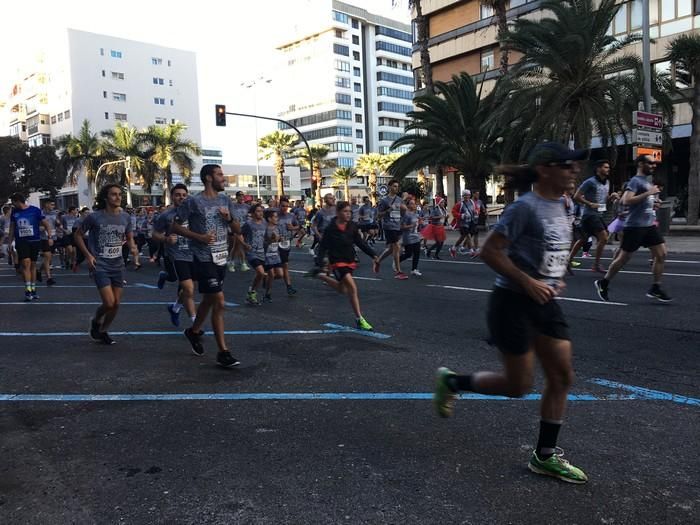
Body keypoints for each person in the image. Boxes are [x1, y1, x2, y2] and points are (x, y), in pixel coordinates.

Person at [433, 143, 589, 484]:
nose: (574, 171)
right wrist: (528, 281)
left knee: (562, 377)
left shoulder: (564, 204)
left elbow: (551, 249)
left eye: (576, 166)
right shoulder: (524, 208)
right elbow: (490, 251)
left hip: (544, 300)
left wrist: (554, 277)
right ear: (545, 169)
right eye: (567, 166)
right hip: (512, 303)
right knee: (518, 386)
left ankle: (545, 456)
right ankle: (452, 381)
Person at [170, 164, 241, 368]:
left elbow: (236, 228)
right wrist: (198, 236)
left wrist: (228, 218)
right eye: (219, 175)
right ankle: (223, 352)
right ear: (208, 178)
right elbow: (174, 226)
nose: (223, 178)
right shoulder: (193, 201)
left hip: (221, 257)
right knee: (219, 300)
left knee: (210, 299)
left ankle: (193, 332)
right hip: (203, 257)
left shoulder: (225, 200)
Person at [594, 155, 671, 303]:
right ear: (641, 164)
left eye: (654, 163)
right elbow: (626, 200)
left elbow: (643, 201)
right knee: (623, 258)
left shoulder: (647, 182)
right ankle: (603, 282)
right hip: (634, 227)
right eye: (650, 163)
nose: (653, 166)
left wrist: (653, 203)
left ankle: (656, 287)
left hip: (648, 225)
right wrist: (649, 194)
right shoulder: (635, 181)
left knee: (661, 254)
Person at [74, 184, 138, 344]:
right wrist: (88, 256)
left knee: (116, 304)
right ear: (106, 197)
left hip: (118, 265)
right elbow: (78, 235)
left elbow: (129, 237)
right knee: (109, 303)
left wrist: (133, 247)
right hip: (100, 264)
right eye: (113, 194)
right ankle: (96, 320)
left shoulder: (125, 217)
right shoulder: (95, 217)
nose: (118, 197)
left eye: (119, 194)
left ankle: (103, 331)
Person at [309, 200, 379, 330]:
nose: (348, 214)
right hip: (337, 262)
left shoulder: (352, 226)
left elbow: (360, 243)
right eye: (345, 211)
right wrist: (319, 262)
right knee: (352, 288)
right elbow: (323, 246)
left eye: (349, 212)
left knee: (343, 289)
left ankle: (321, 276)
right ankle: (359, 319)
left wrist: (373, 255)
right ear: (338, 212)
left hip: (349, 260)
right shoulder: (331, 229)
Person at [153, 184, 197, 327]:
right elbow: (154, 234)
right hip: (175, 255)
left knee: (185, 289)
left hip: (192, 254)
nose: (181, 198)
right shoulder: (166, 215)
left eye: (184, 195)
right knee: (188, 289)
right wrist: (166, 239)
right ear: (172, 197)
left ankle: (175, 308)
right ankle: (195, 324)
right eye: (178, 195)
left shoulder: (193, 213)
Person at [570, 160, 618, 273]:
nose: (608, 169)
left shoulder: (607, 183)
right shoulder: (589, 182)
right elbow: (577, 196)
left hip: (599, 214)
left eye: (608, 167)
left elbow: (605, 200)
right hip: (590, 215)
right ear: (598, 169)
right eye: (605, 167)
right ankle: (596, 264)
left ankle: (568, 260)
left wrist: (612, 197)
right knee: (604, 237)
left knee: (583, 239)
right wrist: (590, 203)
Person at [8, 193, 52, 301]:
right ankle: (27, 290)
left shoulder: (35, 210)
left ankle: (33, 289)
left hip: (35, 241)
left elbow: (46, 224)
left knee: (33, 265)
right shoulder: (14, 212)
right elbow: (12, 228)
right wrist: (9, 242)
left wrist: (50, 237)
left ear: (18, 201)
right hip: (22, 242)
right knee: (25, 263)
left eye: (13, 202)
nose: (12, 205)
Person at [374, 179, 408, 279]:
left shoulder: (399, 199)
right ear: (389, 187)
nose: (396, 188)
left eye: (397, 186)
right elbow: (378, 215)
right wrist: (389, 210)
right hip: (389, 226)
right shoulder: (384, 200)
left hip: (397, 225)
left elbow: (402, 212)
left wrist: (403, 210)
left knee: (391, 249)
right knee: (397, 246)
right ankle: (398, 271)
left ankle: (378, 261)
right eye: (394, 186)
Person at [241, 203, 267, 306]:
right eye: (258, 211)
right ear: (252, 213)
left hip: (262, 252)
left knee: (260, 275)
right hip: (251, 252)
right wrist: (244, 244)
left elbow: (267, 237)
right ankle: (252, 292)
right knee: (260, 272)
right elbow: (239, 234)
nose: (260, 213)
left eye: (261, 211)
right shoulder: (248, 224)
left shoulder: (265, 222)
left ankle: (251, 293)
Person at [277, 197, 300, 295]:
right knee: (280, 268)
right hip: (274, 244)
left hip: (286, 243)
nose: (285, 208)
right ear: (279, 206)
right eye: (283, 206)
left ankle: (289, 287)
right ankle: (266, 277)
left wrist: (293, 228)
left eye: (287, 206)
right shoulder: (274, 215)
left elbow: (298, 226)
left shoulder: (291, 216)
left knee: (284, 266)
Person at [262, 209, 284, 302]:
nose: (277, 218)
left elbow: (278, 240)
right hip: (267, 254)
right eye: (275, 217)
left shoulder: (277, 227)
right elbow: (263, 242)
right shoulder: (264, 228)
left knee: (280, 275)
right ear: (269, 219)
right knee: (271, 274)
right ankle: (267, 295)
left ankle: (265, 278)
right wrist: (271, 240)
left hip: (276, 253)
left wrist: (280, 239)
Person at [228, 191, 251, 272]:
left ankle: (232, 262)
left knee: (237, 246)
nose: (241, 197)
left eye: (242, 196)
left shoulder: (247, 207)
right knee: (239, 245)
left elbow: (250, 216)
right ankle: (242, 264)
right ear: (236, 197)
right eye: (239, 196)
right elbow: (229, 217)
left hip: (244, 228)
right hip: (236, 228)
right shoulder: (233, 206)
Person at [399, 198, 423, 276]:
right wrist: (411, 225)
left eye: (414, 203)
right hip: (408, 236)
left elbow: (417, 224)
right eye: (412, 203)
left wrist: (420, 222)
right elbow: (402, 226)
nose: (414, 205)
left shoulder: (415, 214)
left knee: (417, 252)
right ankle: (397, 260)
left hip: (415, 236)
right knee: (408, 254)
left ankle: (414, 269)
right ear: (408, 205)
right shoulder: (406, 214)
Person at [449, 190, 476, 258]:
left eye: (468, 195)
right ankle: (471, 252)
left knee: (463, 237)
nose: (466, 196)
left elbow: (474, 210)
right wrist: (461, 215)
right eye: (465, 195)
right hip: (462, 223)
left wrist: (476, 213)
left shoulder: (472, 202)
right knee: (468, 236)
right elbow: (453, 212)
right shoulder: (460, 204)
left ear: (470, 195)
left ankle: (453, 248)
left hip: (470, 222)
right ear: (463, 196)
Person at [38, 198, 59, 286]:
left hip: (53, 237)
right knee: (47, 256)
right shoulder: (40, 213)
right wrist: (40, 228)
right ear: (46, 204)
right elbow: (37, 225)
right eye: (51, 204)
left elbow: (57, 223)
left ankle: (39, 271)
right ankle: (49, 278)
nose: (53, 206)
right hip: (44, 237)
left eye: (53, 205)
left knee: (50, 257)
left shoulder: (55, 213)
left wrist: (59, 224)